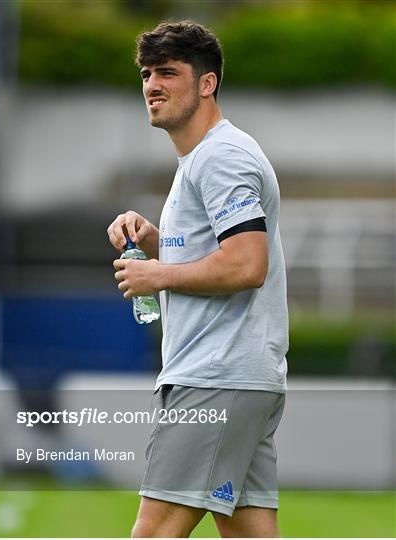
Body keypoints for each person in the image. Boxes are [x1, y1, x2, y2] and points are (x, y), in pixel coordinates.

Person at [107, 20, 288, 538]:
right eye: (146, 74)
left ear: (206, 83)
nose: (151, 85)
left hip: (215, 377)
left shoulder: (221, 157)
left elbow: (247, 266)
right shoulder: (202, 159)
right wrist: (157, 241)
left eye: (168, 72)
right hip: (239, 377)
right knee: (250, 532)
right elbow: (217, 254)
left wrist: (156, 274)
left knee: (154, 532)